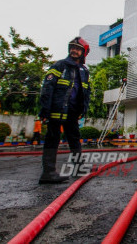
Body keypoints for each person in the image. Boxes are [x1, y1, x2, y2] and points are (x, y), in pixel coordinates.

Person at [38, 37, 91, 184]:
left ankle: (79, 168)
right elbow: (47, 88)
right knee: (52, 140)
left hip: (73, 112)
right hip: (57, 109)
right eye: (72, 48)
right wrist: (45, 110)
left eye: (78, 48)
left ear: (84, 52)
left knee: (75, 139)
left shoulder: (83, 71)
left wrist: (83, 109)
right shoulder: (60, 66)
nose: (74, 50)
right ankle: (48, 172)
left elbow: (85, 92)